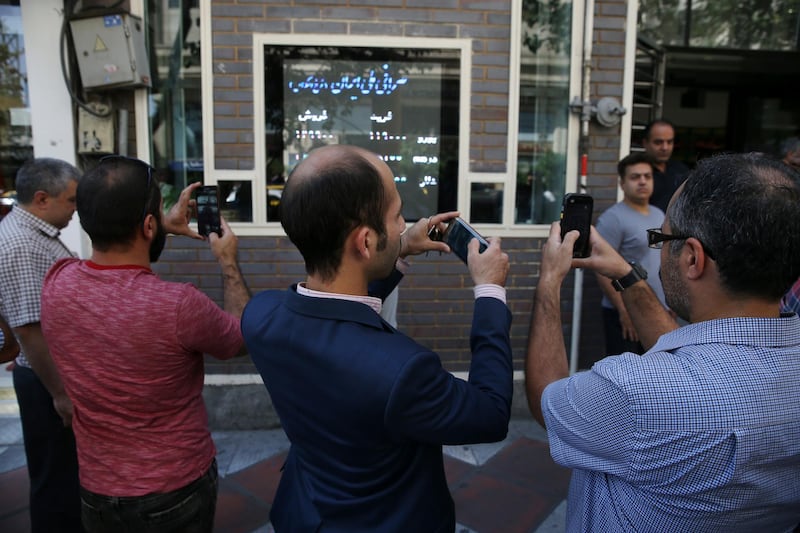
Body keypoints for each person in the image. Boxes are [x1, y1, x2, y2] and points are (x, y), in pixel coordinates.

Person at [241, 144, 513, 532]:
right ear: (365, 241)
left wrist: (400, 247)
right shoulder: (403, 371)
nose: (405, 224)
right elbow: (490, 415)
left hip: (304, 512)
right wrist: (489, 291)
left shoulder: (261, 316)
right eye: (398, 215)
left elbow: (337, 311)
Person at [525, 152, 800, 530]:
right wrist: (625, 273)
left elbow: (548, 399)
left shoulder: (635, 392)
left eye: (662, 238)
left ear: (692, 259)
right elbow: (699, 362)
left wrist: (549, 281)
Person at [39, 156, 250, 533]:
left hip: (97, 487)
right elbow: (240, 339)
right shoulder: (179, 305)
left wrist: (158, 227)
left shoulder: (57, 282)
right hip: (174, 488)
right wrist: (228, 263)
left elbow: (116, 275)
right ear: (148, 225)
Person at [0, 157, 83, 532]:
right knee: (56, 482)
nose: (76, 210)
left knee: (64, 474)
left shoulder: (34, 234)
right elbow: (31, 330)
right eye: (71, 201)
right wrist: (61, 393)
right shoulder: (21, 244)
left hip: (45, 376)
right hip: (47, 381)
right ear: (42, 198)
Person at [594, 152, 665, 357]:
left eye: (647, 176)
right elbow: (601, 268)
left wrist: (667, 305)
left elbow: (658, 260)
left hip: (656, 308)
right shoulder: (612, 219)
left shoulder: (659, 214)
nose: (642, 181)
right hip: (626, 311)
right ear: (622, 183)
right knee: (626, 375)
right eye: (635, 177)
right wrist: (624, 310)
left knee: (655, 371)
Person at [641, 118, 689, 212]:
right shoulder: (638, 174)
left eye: (669, 142)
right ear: (645, 143)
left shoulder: (681, 170)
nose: (665, 147)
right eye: (658, 142)